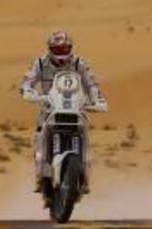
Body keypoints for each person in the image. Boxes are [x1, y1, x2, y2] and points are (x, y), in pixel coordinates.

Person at [19, 29, 107, 194]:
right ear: (50, 49)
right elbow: (27, 81)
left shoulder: (79, 64)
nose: (61, 53)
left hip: (75, 108)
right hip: (49, 109)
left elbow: (91, 84)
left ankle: (84, 174)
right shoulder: (40, 63)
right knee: (39, 137)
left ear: (70, 48)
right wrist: (29, 93)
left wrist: (98, 100)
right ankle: (41, 174)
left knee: (85, 135)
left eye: (64, 49)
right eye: (57, 50)